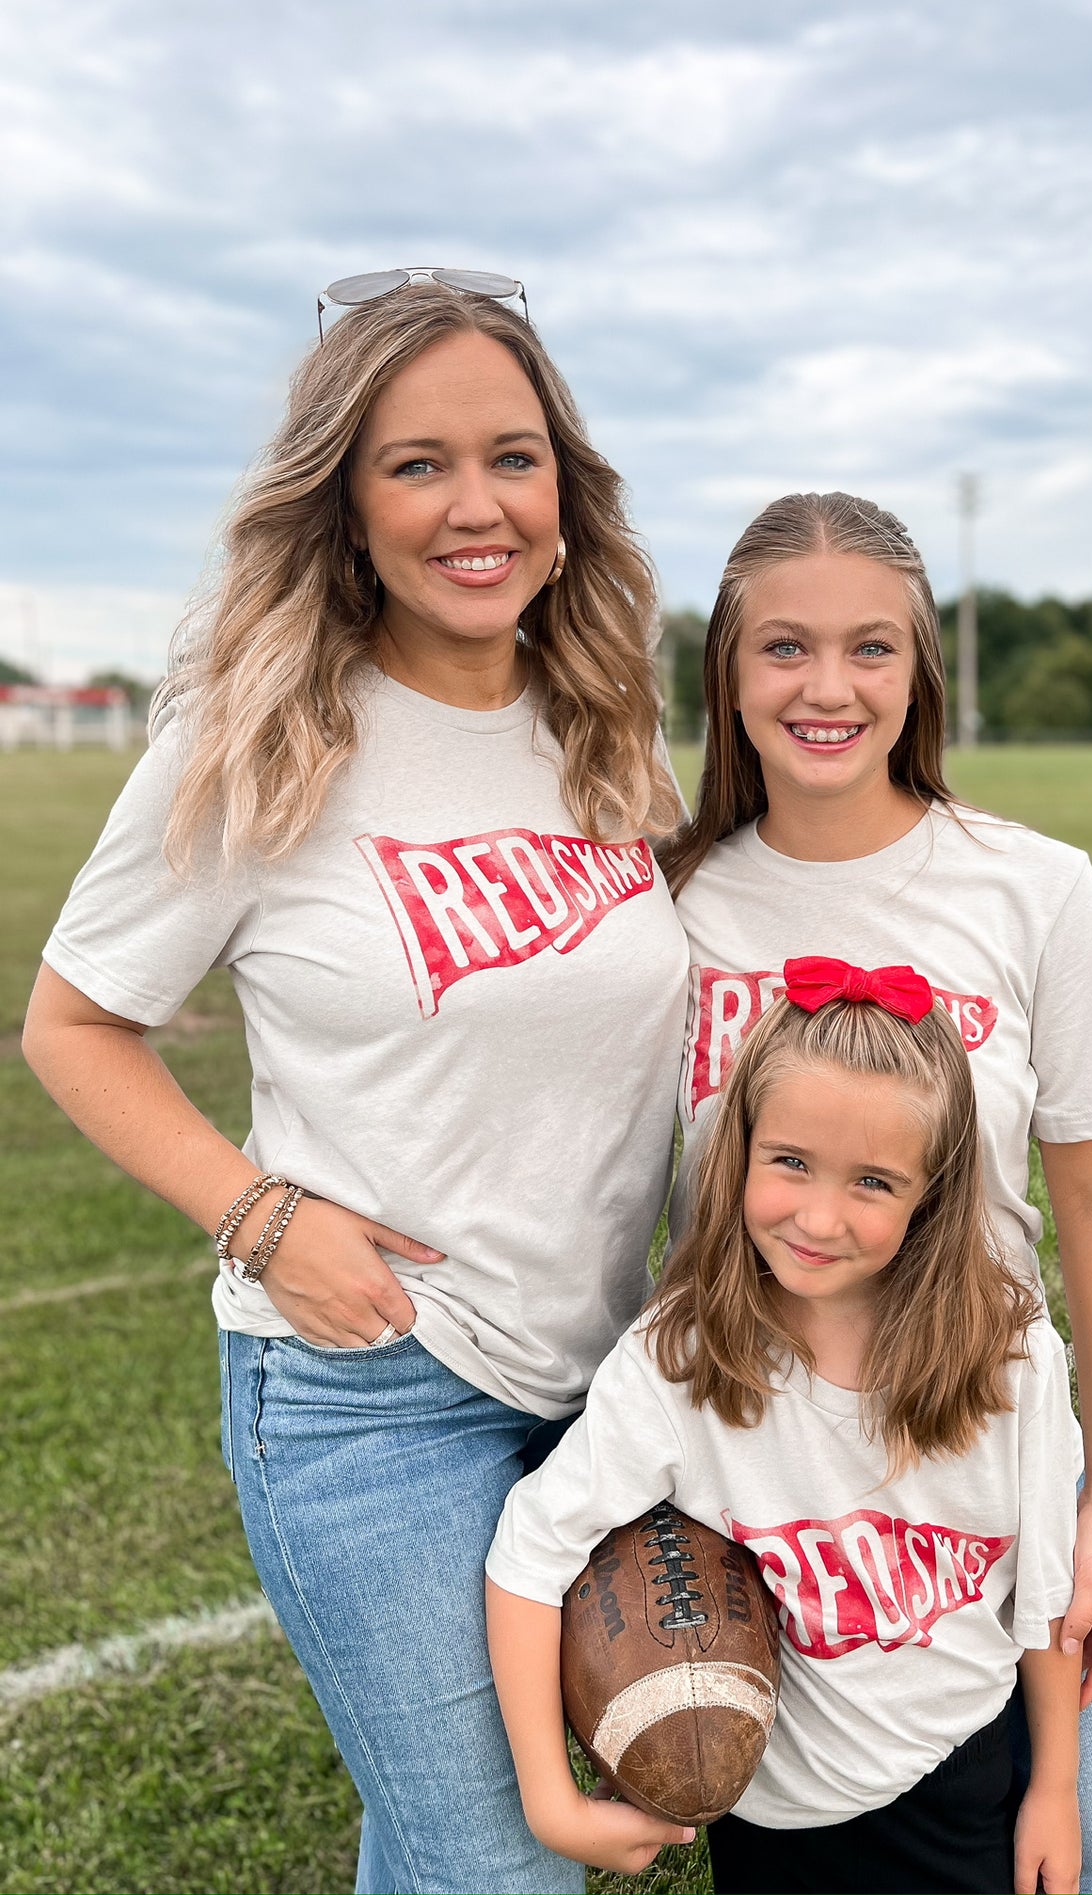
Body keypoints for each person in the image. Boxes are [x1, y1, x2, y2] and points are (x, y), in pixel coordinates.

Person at [21, 275, 690, 1895]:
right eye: (418, 464)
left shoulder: (605, 720)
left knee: (441, 1835)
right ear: (344, 500)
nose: (477, 506)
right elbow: (74, 1021)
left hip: (607, 1382)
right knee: (496, 1861)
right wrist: (261, 1213)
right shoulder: (259, 733)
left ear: (565, 490)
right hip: (373, 1393)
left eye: (514, 458)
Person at [660, 492, 1092, 1895]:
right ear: (726, 669)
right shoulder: (664, 906)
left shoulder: (1033, 889)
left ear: (919, 672)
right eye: (784, 647)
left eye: (870, 648)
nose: (827, 687)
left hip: (987, 1460)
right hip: (763, 1488)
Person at [487, 967, 1084, 1895]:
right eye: (791, 1161)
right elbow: (531, 1552)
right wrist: (546, 1798)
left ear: (933, 1191)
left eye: (873, 1182)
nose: (817, 1217)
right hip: (773, 1810)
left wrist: (1054, 1784)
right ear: (739, 1149)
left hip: (963, 1769)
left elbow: (1044, 1596)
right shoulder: (681, 1358)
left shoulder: (1010, 1358)